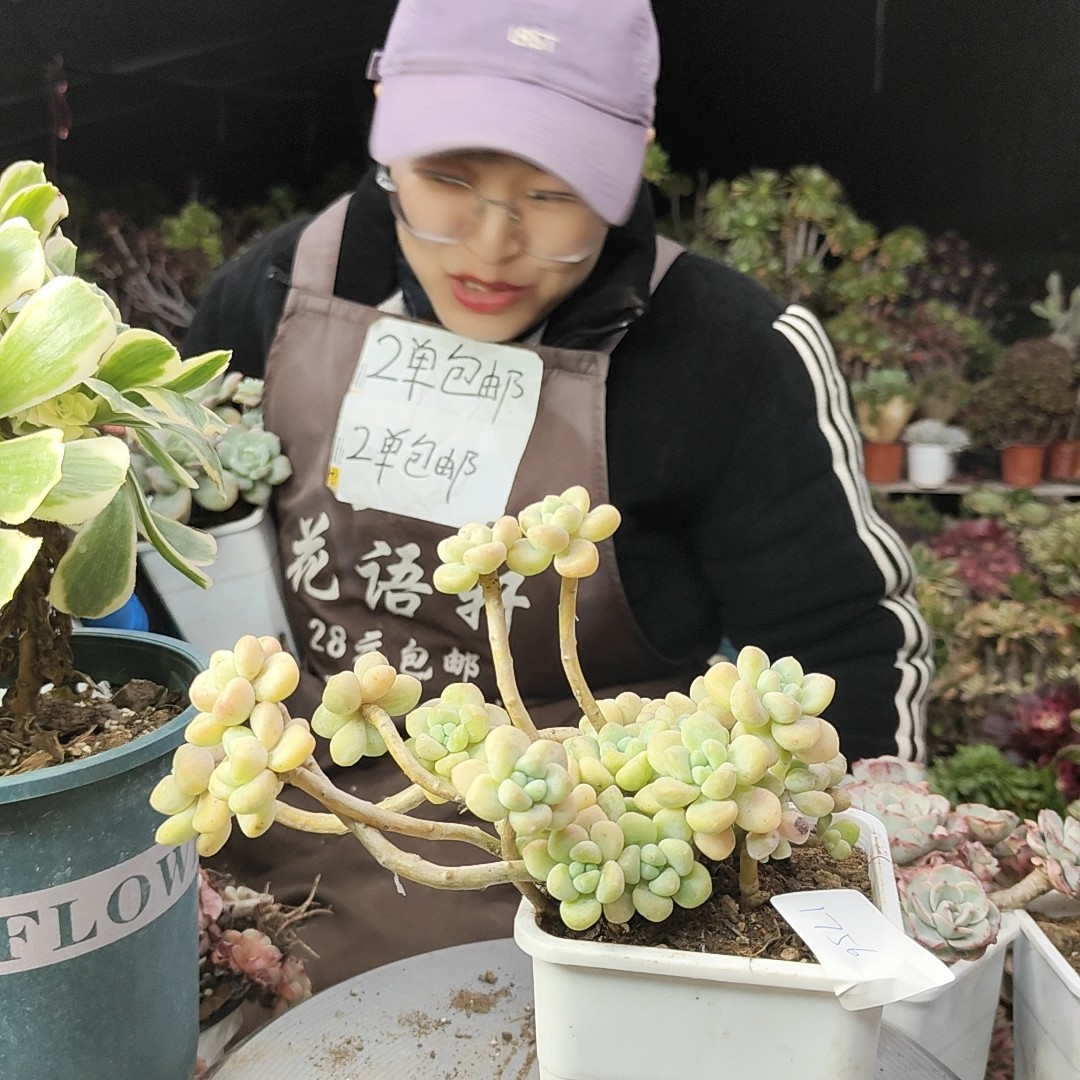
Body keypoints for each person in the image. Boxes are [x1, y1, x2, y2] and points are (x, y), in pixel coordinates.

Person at [182, 0, 933, 989]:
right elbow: (183, 571)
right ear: (382, 115)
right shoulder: (267, 298)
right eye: (447, 179)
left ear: (636, 160)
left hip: (619, 878)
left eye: (554, 192)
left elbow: (846, 644)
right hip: (312, 847)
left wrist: (849, 915)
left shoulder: (729, 352)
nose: (492, 244)